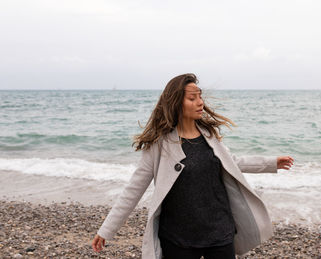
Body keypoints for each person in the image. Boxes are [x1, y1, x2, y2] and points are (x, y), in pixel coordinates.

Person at [92, 73, 294, 259]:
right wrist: (106, 230)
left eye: (200, 96)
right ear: (176, 103)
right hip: (178, 238)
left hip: (219, 231)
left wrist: (271, 163)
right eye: (192, 98)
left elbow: (233, 162)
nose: (200, 102)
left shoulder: (209, 135)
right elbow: (133, 189)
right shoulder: (159, 145)